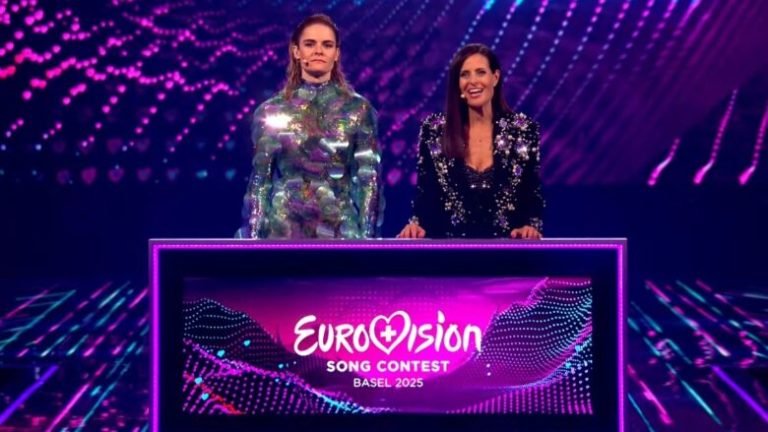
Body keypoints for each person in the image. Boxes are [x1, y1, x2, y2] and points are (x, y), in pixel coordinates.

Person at [237, 14, 381, 239]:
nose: (318, 51)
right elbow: (260, 180)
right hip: (284, 234)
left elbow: (368, 180)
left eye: (327, 45)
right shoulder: (273, 111)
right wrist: (253, 241)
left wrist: (369, 242)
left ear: (337, 53)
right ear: (296, 51)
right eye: (310, 44)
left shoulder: (357, 109)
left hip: (341, 235)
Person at [398, 43, 544, 239]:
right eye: (464, 74)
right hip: (449, 249)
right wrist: (416, 226)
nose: (473, 81)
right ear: (457, 84)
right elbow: (426, 194)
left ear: (495, 77)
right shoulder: (434, 131)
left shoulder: (523, 130)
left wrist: (530, 227)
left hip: (507, 249)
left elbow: (532, 193)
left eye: (480, 72)